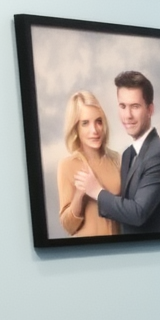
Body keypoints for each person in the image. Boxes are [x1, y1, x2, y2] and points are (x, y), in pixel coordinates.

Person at [78, 70, 160, 234]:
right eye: (122, 106)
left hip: (154, 254)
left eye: (135, 107)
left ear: (150, 110)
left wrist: (97, 191)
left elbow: (137, 213)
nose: (127, 115)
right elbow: (123, 206)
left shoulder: (157, 155)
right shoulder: (128, 154)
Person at [57, 92, 121, 237]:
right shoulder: (67, 165)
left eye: (98, 121)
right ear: (76, 128)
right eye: (85, 123)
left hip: (118, 251)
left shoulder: (116, 159)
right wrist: (79, 195)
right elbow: (68, 227)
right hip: (86, 253)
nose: (94, 130)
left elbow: (128, 211)